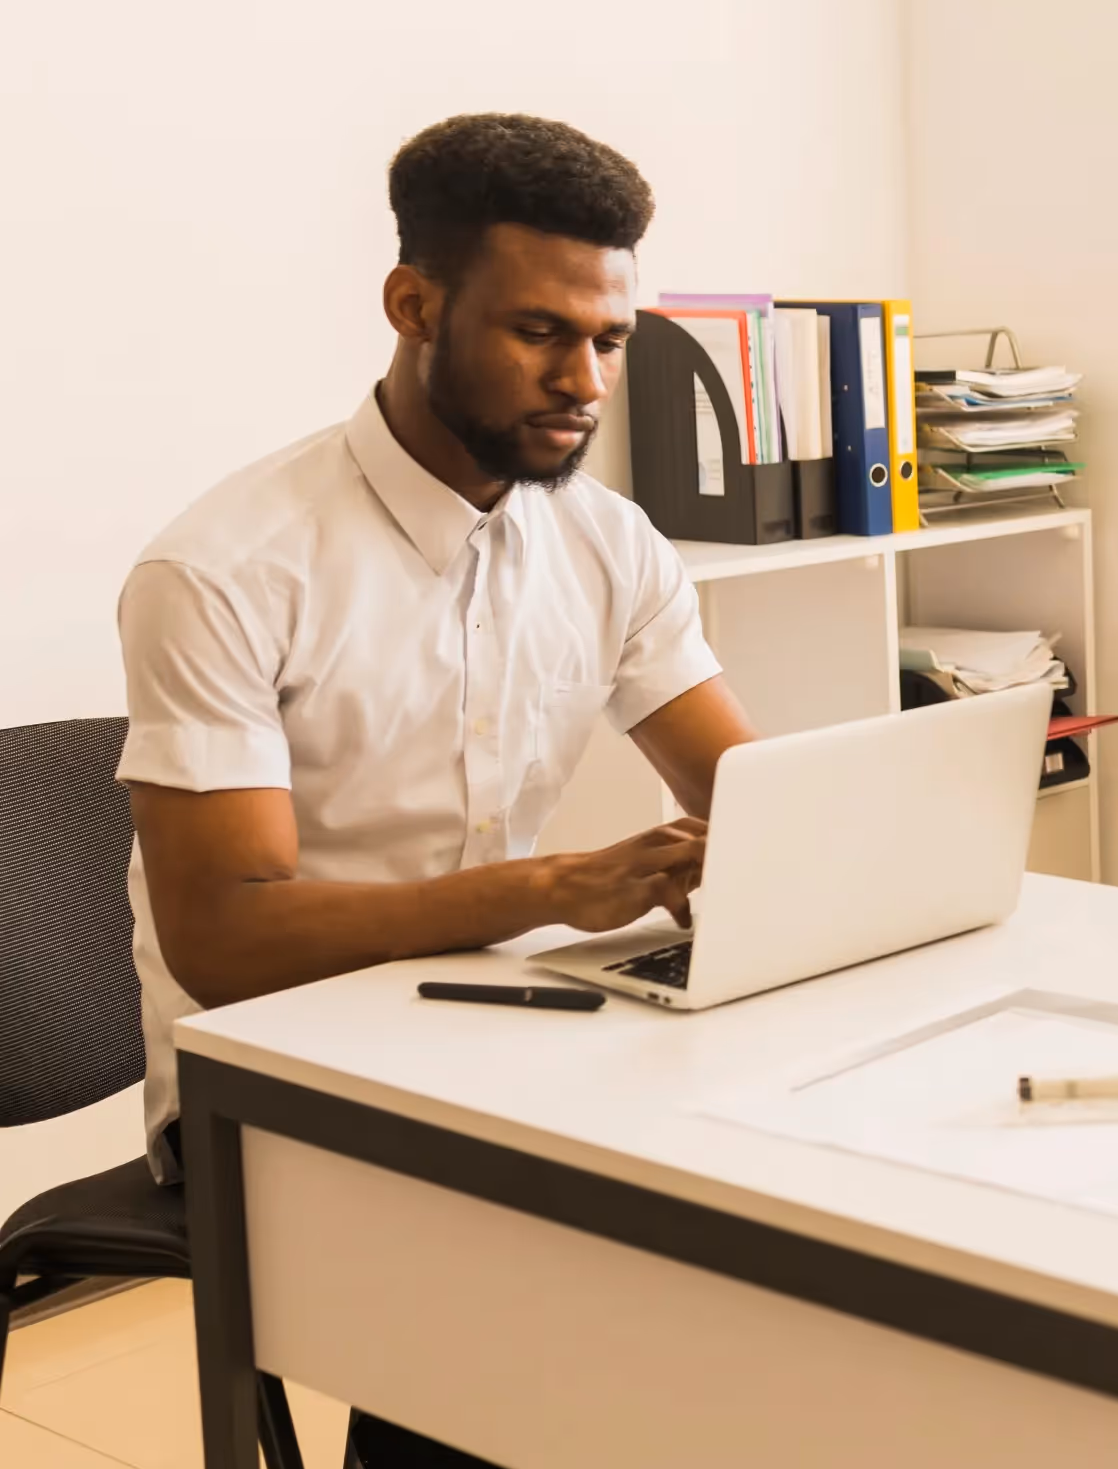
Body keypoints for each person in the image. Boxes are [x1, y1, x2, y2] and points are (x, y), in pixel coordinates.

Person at [117, 113, 755, 1469]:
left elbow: (752, 794)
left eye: (609, 340)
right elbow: (226, 945)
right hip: (264, 1081)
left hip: (501, 1031)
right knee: (556, 1270)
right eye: (540, 334)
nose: (584, 378)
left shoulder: (603, 541)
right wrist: (553, 891)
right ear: (414, 305)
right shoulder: (229, 569)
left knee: (764, 1208)